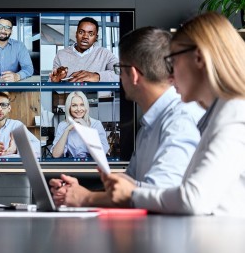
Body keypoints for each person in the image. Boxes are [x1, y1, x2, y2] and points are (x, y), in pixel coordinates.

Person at [103, 12, 245, 216]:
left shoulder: (235, 114)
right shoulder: (219, 113)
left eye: (173, 60)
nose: (169, 74)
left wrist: (132, 194)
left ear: (198, 58)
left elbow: (193, 199)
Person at [49, 27, 203, 207]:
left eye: (120, 69)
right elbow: (130, 187)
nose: (119, 76)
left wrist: (86, 198)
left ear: (134, 75)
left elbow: (160, 196)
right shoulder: (150, 124)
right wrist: (76, 193)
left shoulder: (179, 121)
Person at [49, 17, 119, 82]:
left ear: (96, 38)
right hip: (69, 95)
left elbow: (122, 73)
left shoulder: (105, 53)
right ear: (76, 34)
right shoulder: (61, 54)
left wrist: (97, 76)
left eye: (91, 34)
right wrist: (56, 81)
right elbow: (52, 80)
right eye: (81, 32)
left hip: (97, 95)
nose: (85, 36)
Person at [50, 91, 110, 159]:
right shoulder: (62, 125)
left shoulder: (96, 124)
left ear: (86, 106)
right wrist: (67, 130)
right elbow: (56, 155)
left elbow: (102, 152)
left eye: (82, 104)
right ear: (69, 108)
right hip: (73, 165)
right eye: (74, 105)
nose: (79, 109)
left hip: (93, 165)